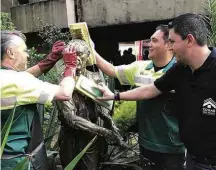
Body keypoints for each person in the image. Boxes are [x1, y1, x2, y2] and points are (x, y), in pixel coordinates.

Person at [97, 13, 216, 170]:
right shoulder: (181, 70)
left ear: (189, 40)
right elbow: (151, 90)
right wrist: (115, 95)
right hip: (193, 157)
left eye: (173, 41)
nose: (171, 47)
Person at [94, 25, 185, 170]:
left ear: (169, 45)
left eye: (154, 40)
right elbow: (112, 70)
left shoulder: (181, 70)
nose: (149, 44)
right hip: (146, 143)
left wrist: (115, 96)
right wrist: (92, 51)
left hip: (173, 147)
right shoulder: (140, 67)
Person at [1, 30, 78, 169]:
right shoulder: (18, 82)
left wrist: (51, 59)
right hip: (17, 162)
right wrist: (71, 67)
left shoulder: (7, 79)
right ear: (11, 53)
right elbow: (65, 93)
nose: (28, 55)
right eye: (24, 50)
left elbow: (23, 78)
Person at [56, 39, 122, 170]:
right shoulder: (64, 80)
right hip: (70, 136)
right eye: (74, 55)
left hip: (91, 136)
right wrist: (103, 131)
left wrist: (113, 127)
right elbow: (70, 118)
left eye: (81, 54)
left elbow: (102, 108)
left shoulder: (94, 77)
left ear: (88, 55)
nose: (78, 59)